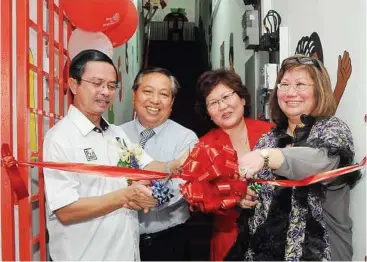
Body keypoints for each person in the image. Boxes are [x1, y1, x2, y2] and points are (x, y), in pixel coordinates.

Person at [43, 50, 185, 261]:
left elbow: (145, 167)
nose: (105, 92)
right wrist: (125, 196)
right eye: (97, 83)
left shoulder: (116, 133)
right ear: (74, 85)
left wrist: (178, 164)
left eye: (111, 86)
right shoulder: (61, 138)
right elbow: (65, 210)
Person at [229, 55, 361, 261]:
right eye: (284, 84)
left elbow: (319, 163)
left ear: (319, 89)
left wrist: (269, 156)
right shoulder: (268, 139)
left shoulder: (333, 130)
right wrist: (247, 196)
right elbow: (258, 190)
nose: (291, 93)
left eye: (300, 84)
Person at [195, 69, 274, 261]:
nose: (223, 106)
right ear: (208, 112)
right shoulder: (204, 147)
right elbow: (198, 196)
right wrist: (232, 199)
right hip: (230, 240)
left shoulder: (270, 132)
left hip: (275, 234)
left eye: (226, 96)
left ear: (242, 99)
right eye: (213, 103)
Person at [121, 67, 198, 261]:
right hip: (121, 239)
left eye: (164, 94)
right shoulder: (116, 135)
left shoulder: (186, 139)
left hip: (169, 240)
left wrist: (149, 199)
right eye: (147, 91)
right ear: (134, 95)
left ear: (171, 102)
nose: (155, 100)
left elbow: (182, 186)